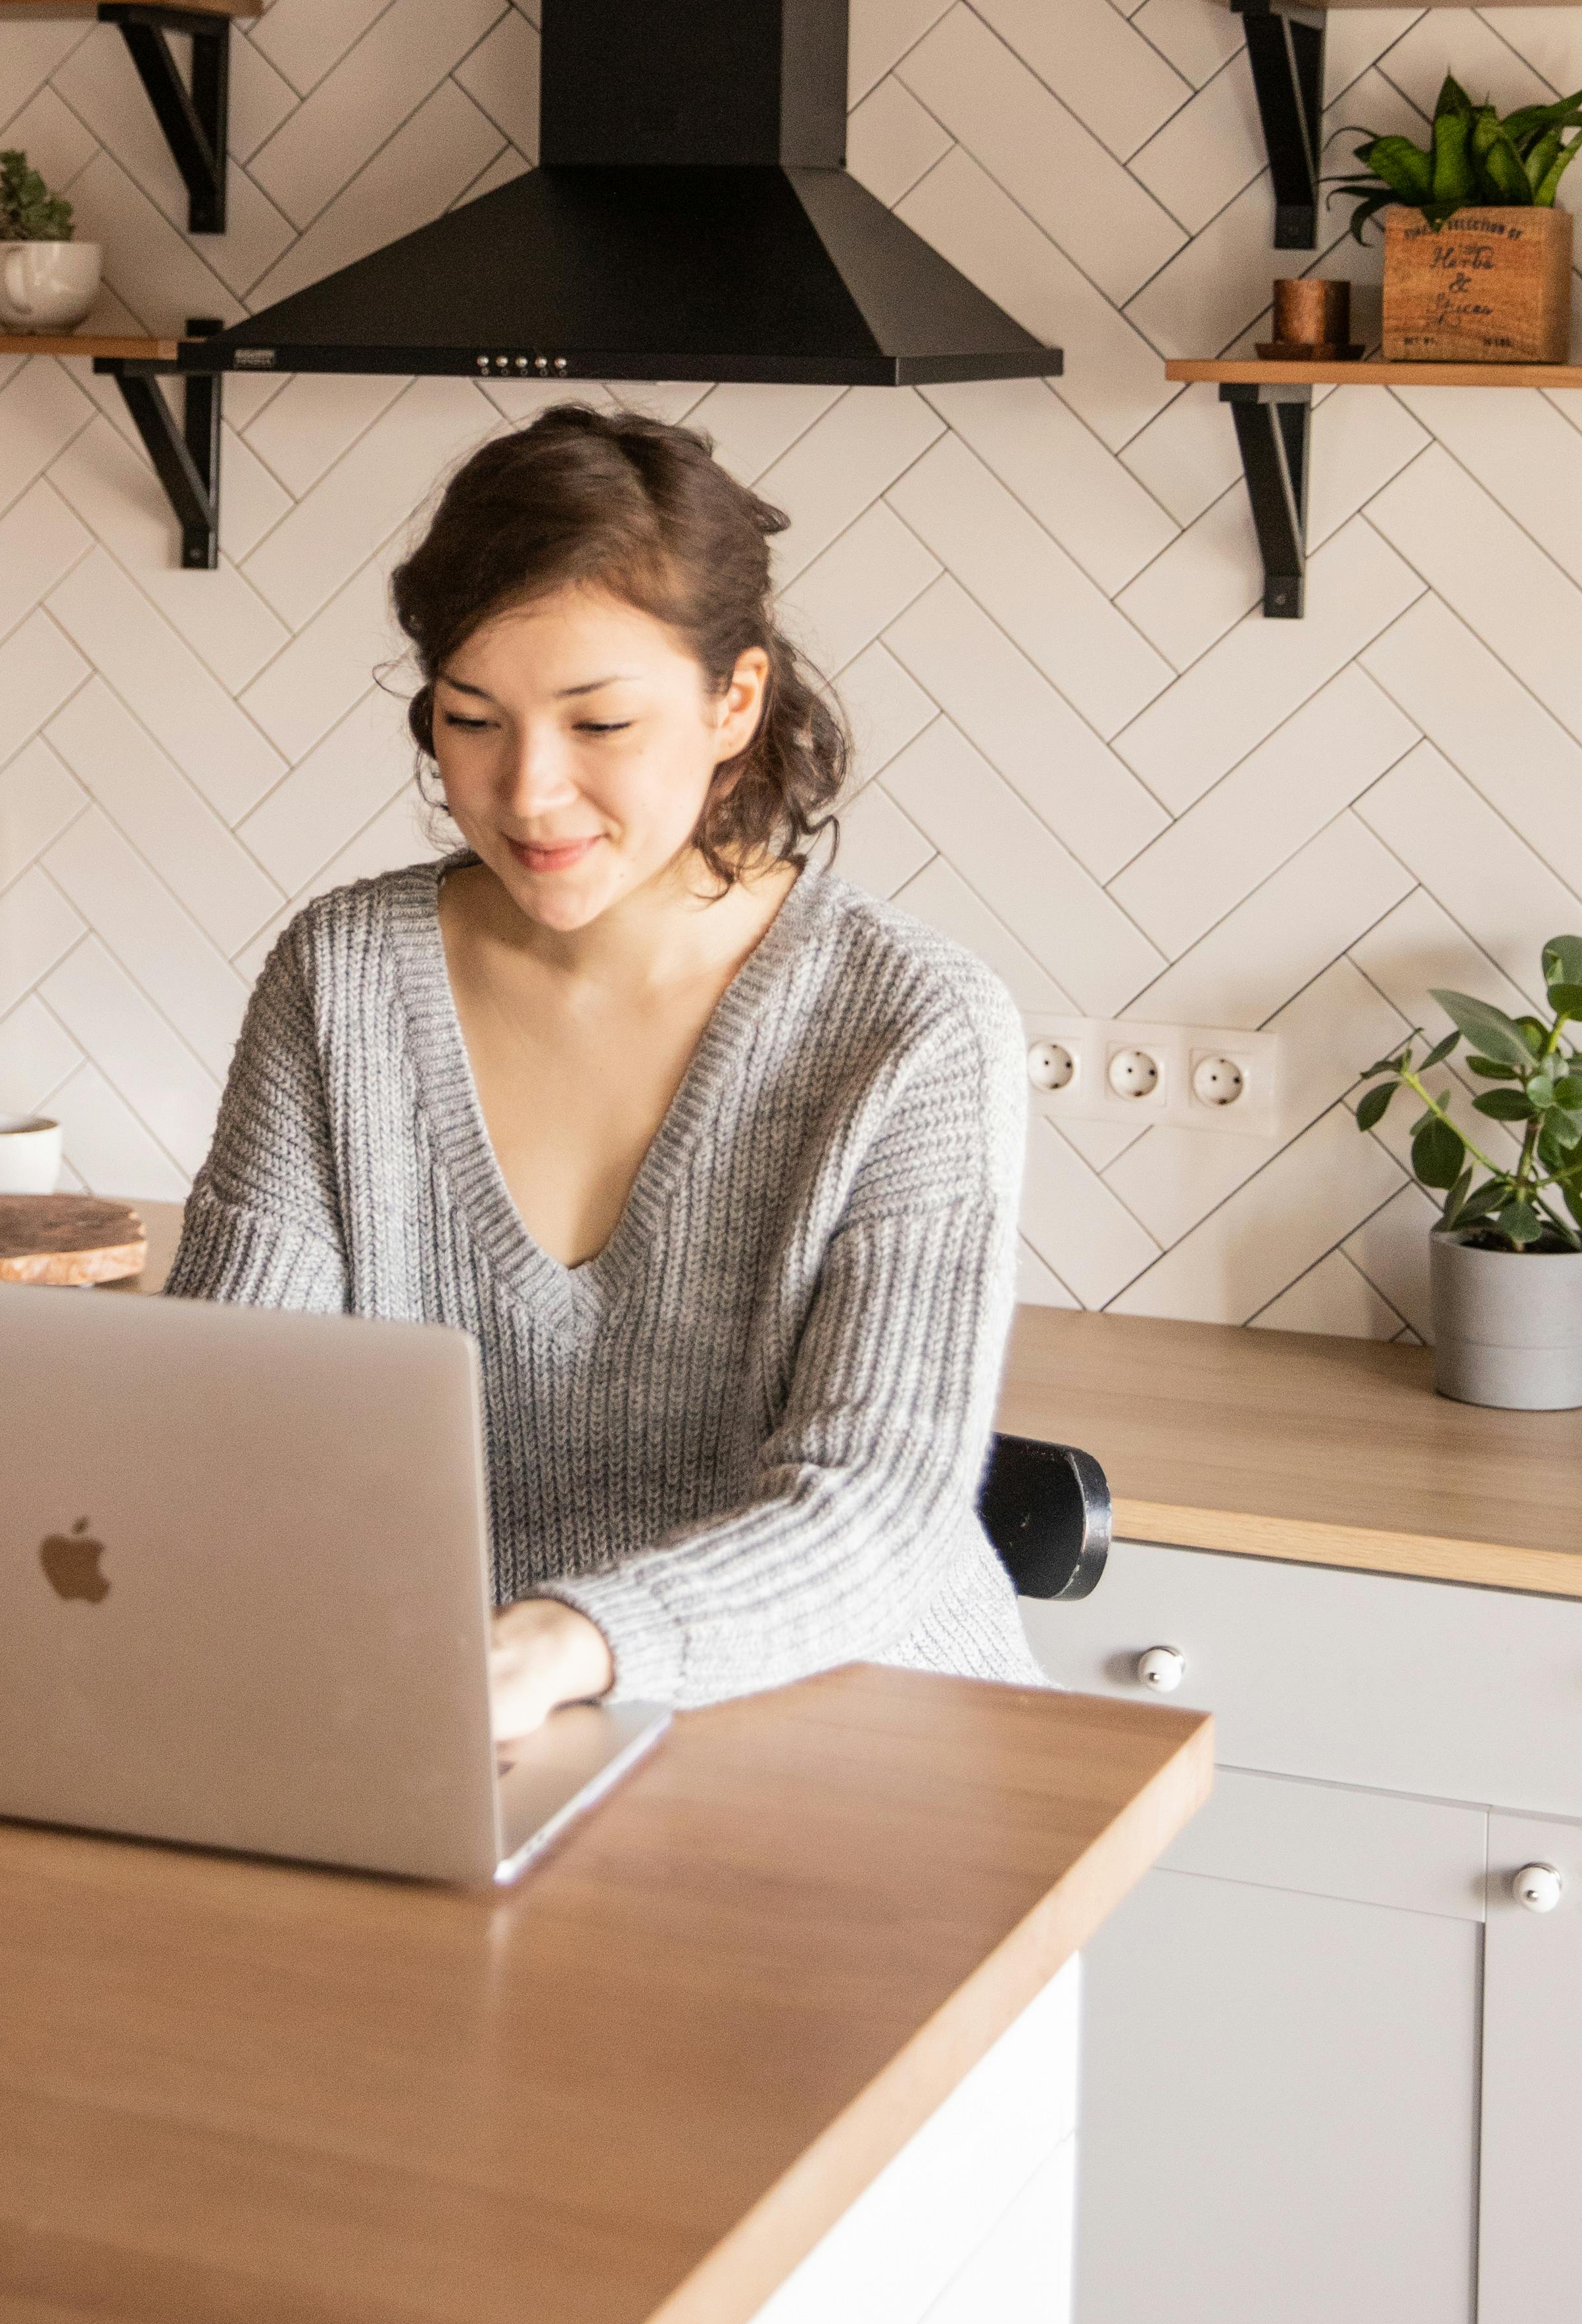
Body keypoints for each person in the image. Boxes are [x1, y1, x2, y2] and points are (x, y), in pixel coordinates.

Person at [170, 403, 1038, 1737]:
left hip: (852, 1739)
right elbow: (232, 1409)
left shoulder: (909, 1023)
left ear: (731, 701)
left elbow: (872, 1507)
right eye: (471, 719)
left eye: (598, 724)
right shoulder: (341, 976)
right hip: (453, 1720)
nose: (524, 792)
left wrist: (568, 1641)